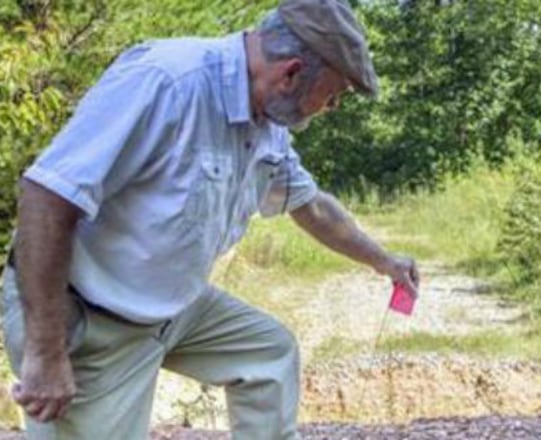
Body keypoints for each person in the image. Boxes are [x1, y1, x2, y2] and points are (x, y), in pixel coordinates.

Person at [1, 0, 420, 438]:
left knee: (268, 354)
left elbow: (310, 205)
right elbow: (46, 197)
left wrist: (384, 261)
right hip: (88, 317)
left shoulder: (266, 123)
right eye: (333, 96)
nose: (331, 108)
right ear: (291, 73)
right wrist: (45, 352)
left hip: (171, 307)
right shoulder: (167, 82)